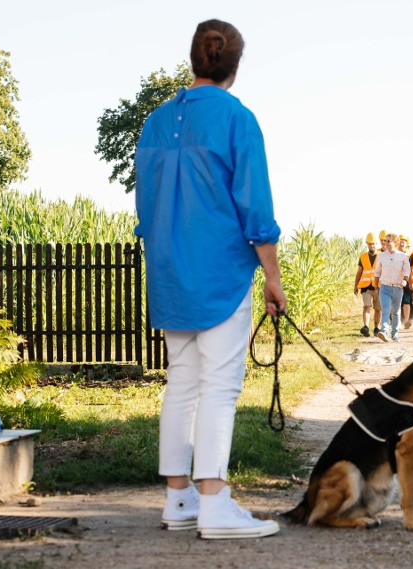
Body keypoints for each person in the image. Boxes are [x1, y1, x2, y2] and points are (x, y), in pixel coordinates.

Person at [135, 19, 282, 540]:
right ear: (233, 65)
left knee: (182, 383)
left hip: (170, 271)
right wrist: (273, 276)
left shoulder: (154, 123)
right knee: (219, 388)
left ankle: (180, 499)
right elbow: (255, 207)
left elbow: (145, 207)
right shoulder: (237, 118)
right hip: (219, 271)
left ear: (195, 59)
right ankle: (216, 505)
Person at [373, 232, 411, 342]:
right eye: (385, 240)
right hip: (384, 288)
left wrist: (405, 280)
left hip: (398, 288)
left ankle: (395, 334)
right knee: (385, 309)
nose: (386, 243)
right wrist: (376, 288)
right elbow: (377, 273)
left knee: (395, 311)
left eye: (388, 241)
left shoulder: (402, 256)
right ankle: (384, 331)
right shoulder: (381, 256)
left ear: (395, 242)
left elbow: (407, 270)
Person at [353, 232, 382, 337]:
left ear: (376, 244)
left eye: (373, 244)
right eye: (369, 244)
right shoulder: (363, 257)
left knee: (378, 309)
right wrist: (355, 285)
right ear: (367, 244)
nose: (372, 246)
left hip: (378, 287)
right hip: (366, 287)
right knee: (366, 306)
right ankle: (365, 327)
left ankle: (376, 328)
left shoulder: (382, 256)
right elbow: (359, 272)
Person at [398, 234, 413, 329]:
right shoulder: (394, 255)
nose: (401, 244)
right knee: (399, 302)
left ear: (406, 244)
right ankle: (400, 321)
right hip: (397, 282)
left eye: (403, 242)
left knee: (407, 300)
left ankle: (407, 321)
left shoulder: (410, 255)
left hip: (408, 281)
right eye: (400, 242)